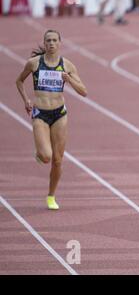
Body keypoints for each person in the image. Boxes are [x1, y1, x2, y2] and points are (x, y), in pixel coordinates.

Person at [15, 30, 88, 210]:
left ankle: (51, 196)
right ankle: (40, 153)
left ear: (60, 43)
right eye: (48, 40)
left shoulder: (67, 65)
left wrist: (69, 79)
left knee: (57, 160)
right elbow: (19, 81)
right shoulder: (34, 63)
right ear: (44, 43)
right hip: (40, 113)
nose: (51, 43)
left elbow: (84, 91)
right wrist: (26, 100)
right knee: (46, 156)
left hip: (59, 114)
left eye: (55, 40)